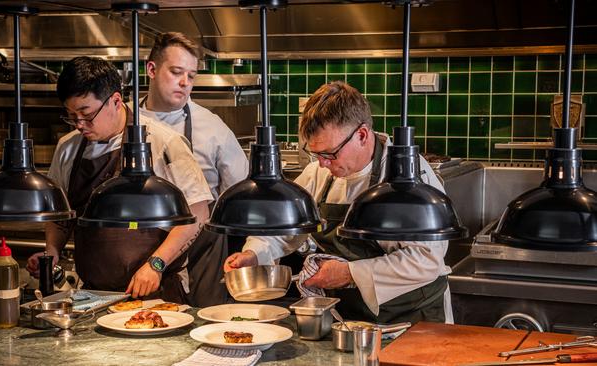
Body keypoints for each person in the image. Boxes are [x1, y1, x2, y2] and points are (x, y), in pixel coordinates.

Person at [224, 81, 454, 324]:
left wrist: (349, 273)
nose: (322, 163)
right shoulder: (320, 174)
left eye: (329, 154)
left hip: (413, 319)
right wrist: (254, 253)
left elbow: (426, 260)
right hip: (351, 319)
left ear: (362, 135)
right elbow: (284, 226)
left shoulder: (410, 178)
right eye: (316, 154)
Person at [26, 57, 213, 304]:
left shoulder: (164, 143)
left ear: (115, 101)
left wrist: (156, 264)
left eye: (86, 114)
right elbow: (62, 213)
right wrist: (52, 252)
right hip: (91, 296)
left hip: (157, 294)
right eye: (71, 116)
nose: (80, 125)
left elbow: (198, 215)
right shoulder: (68, 148)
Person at [140, 32, 248, 306]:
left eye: (191, 75)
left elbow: (240, 196)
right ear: (151, 69)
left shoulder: (212, 127)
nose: (185, 83)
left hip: (202, 254)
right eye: (176, 72)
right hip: (139, 250)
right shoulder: (126, 120)